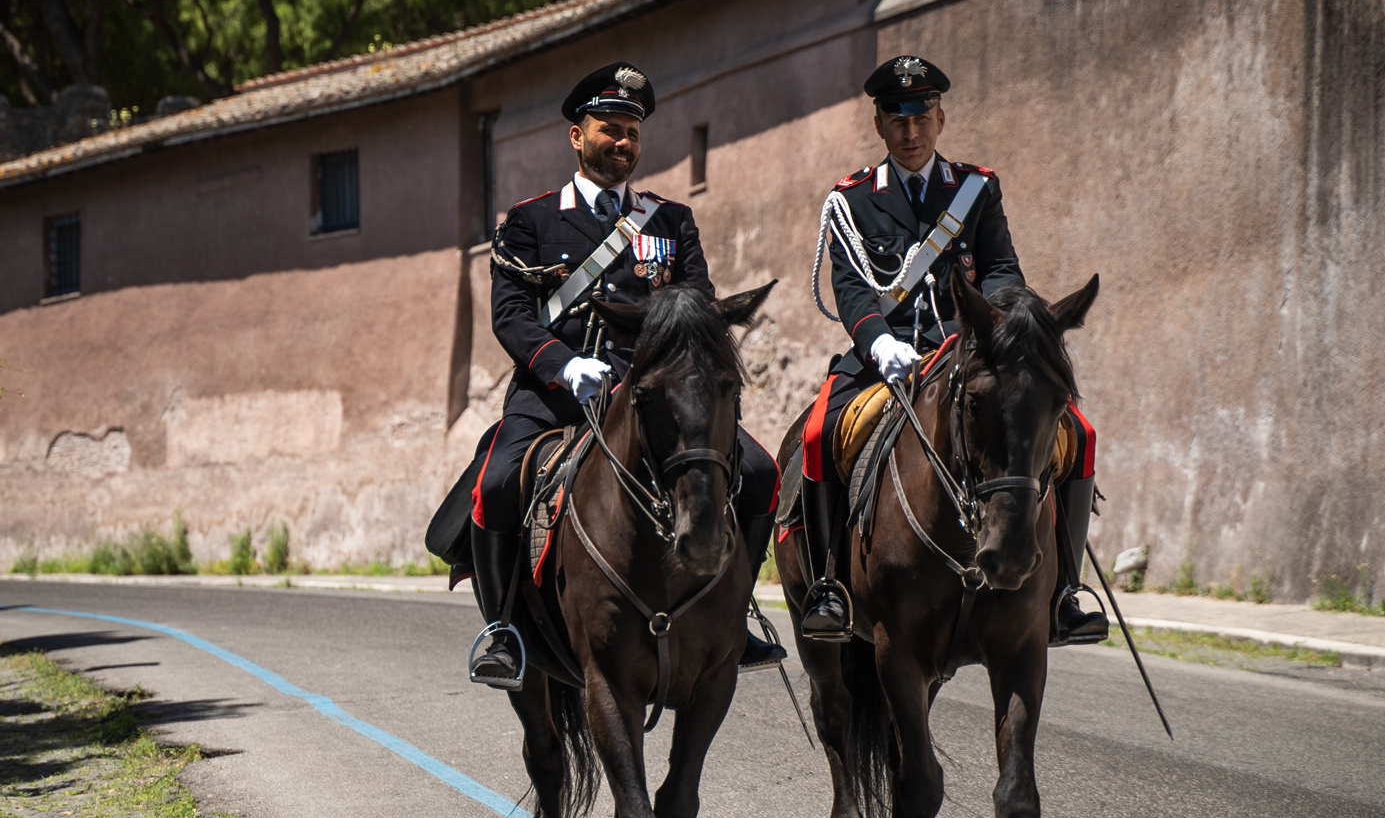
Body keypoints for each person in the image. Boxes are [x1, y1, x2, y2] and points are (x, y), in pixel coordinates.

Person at [468, 62, 785, 686]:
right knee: (499, 481)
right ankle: (503, 627)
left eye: (633, 134)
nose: (623, 144)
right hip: (558, 395)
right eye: (609, 129)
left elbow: (698, 311)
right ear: (576, 136)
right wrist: (563, 366)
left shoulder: (671, 221)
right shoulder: (530, 221)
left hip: (655, 396)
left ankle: (735, 609)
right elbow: (511, 318)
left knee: (757, 470)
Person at [797, 54, 1107, 647]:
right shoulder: (851, 200)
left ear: (940, 118)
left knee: (1079, 434)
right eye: (897, 119)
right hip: (882, 358)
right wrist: (880, 341)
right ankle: (830, 585)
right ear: (879, 125)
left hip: (967, 351)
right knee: (816, 436)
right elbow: (850, 286)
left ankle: (1067, 591)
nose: (910, 133)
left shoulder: (976, 190)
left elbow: (1000, 269)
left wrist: (995, 325)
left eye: (922, 118)